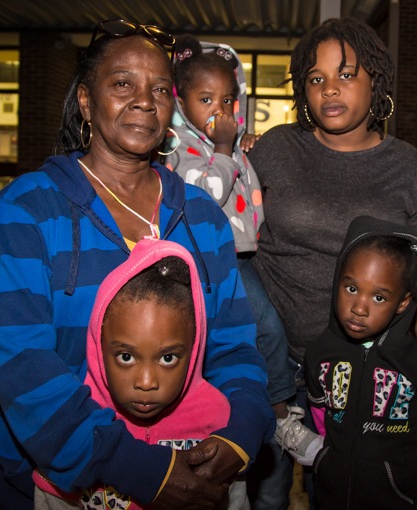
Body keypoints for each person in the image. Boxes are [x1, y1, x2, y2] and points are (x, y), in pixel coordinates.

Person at [0, 19, 274, 510]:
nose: (144, 100)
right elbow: (23, 364)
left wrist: (240, 435)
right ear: (84, 101)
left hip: (198, 467)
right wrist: (139, 469)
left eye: (160, 89)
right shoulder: (30, 208)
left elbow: (234, 347)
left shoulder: (201, 216)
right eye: (122, 84)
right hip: (69, 481)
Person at [246, 16, 417, 507]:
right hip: (268, 365)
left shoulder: (405, 165)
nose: (329, 89)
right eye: (316, 78)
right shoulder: (276, 148)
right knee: (265, 493)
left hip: (359, 372)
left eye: (346, 74)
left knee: (343, 492)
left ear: (376, 83)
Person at [163, 35, 314, 508]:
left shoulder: (228, 143)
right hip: (216, 259)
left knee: (268, 329)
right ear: (179, 101)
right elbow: (205, 198)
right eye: (205, 100)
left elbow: (249, 195)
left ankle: (271, 405)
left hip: (248, 254)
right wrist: (228, 149)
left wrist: (240, 147)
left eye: (226, 100)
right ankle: (281, 413)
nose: (218, 110)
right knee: (265, 328)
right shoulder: (180, 151)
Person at [33, 239, 249, 509]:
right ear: (99, 349)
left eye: (168, 358)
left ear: (194, 350)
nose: (146, 382)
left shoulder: (218, 424)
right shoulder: (78, 427)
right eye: (126, 357)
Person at [302, 215, 417, 509]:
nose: (359, 307)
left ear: (403, 302)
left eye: (379, 297)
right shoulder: (319, 356)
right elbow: (324, 429)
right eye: (351, 288)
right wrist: (326, 464)